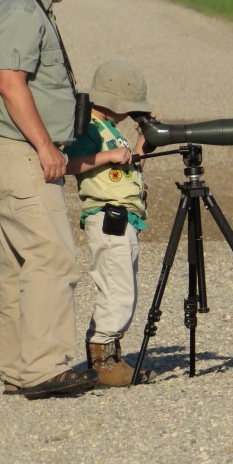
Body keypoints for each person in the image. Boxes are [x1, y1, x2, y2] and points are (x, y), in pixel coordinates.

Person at [0, 0, 98, 400]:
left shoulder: (14, 3)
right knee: (52, 256)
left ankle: (18, 368)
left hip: (11, 153)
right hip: (21, 152)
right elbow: (11, 83)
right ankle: (46, 367)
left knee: (21, 263)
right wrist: (47, 147)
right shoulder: (21, 11)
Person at [63, 60, 153, 387]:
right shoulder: (89, 128)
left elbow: (133, 167)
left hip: (125, 219)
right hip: (107, 218)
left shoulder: (113, 133)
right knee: (117, 288)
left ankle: (111, 356)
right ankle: (102, 358)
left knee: (123, 285)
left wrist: (142, 140)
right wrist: (106, 157)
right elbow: (68, 164)